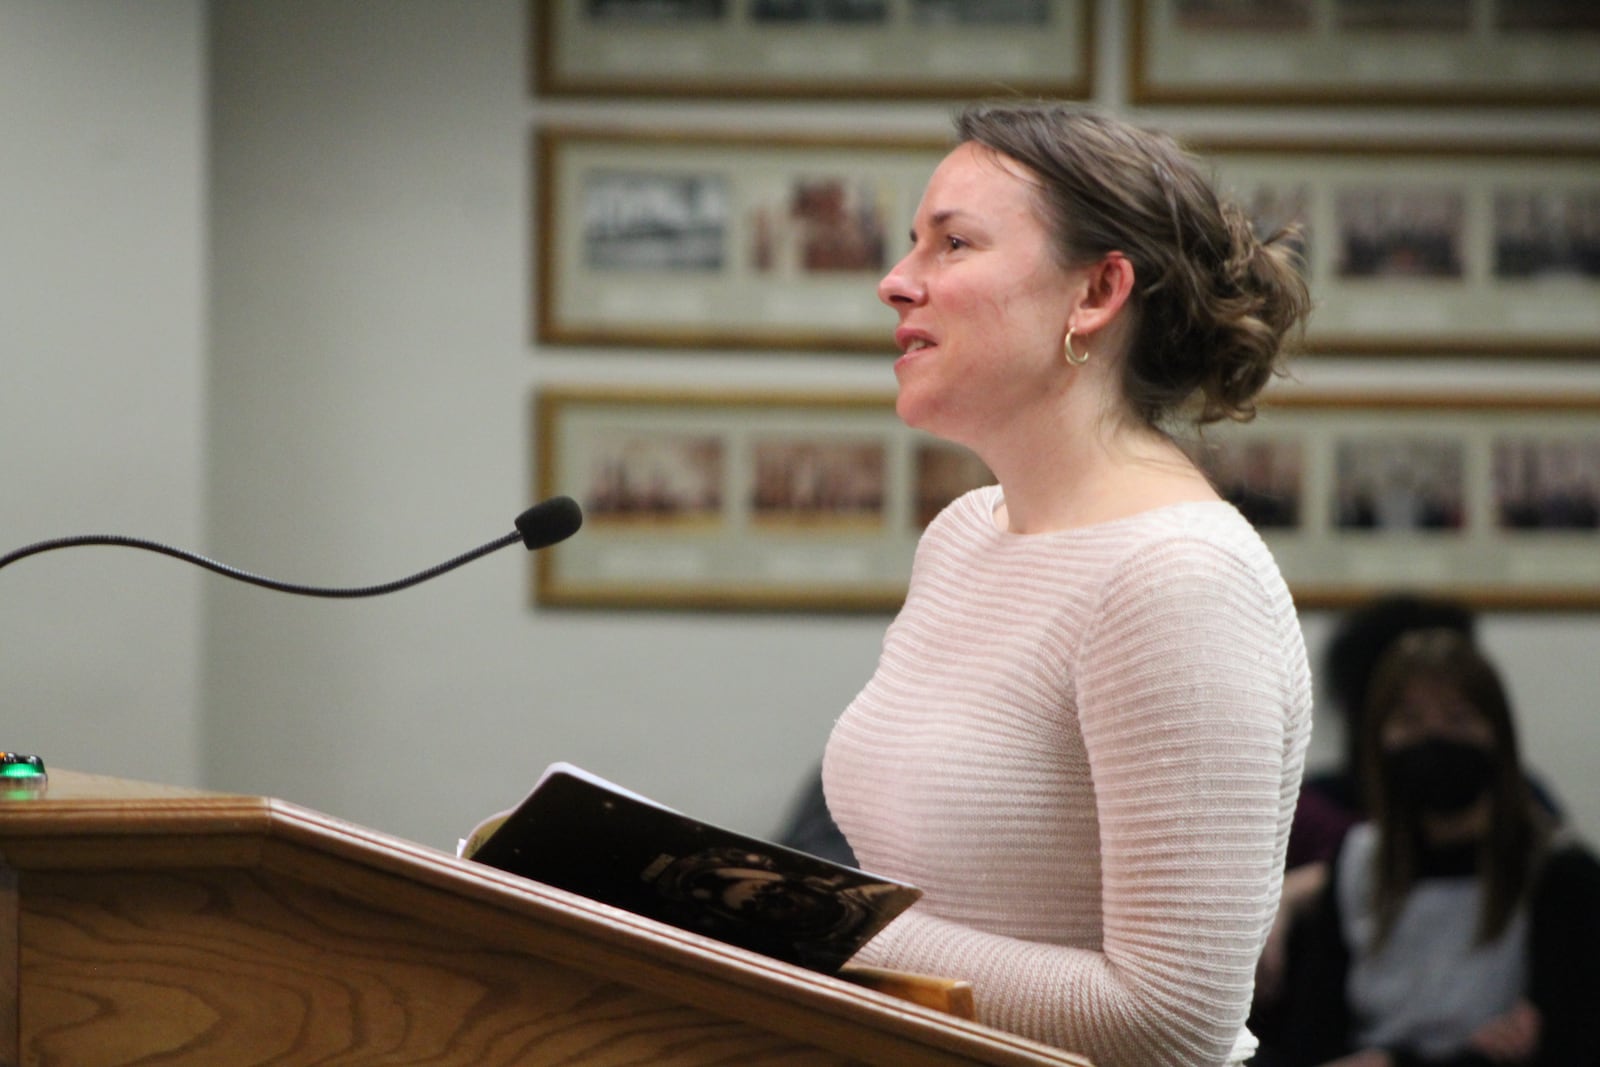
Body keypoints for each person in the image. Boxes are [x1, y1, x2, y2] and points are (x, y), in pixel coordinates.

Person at [821, 101, 1314, 1066]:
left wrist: (798, 919)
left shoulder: (1181, 581)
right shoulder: (966, 533)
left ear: (1096, 292)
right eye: (911, 244)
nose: (895, 282)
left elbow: (1172, 1020)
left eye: (951, 244)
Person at [1258, 629, 1600, 1067]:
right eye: (1410, 721)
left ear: (1498, 736)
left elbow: (1559, 1040)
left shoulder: (1558, 871)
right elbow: (1315, 1029)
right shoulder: (1359, 859)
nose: (1433, 737)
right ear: (1379, 740)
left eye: (1457, 718)